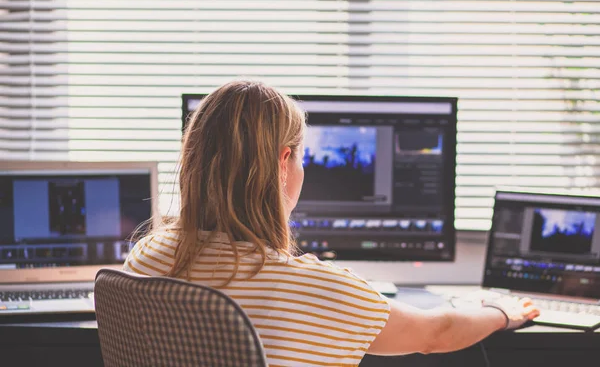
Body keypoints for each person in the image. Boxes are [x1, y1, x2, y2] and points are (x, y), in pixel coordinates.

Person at [124, 80, 539, 366]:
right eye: (301, 156)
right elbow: (436, 334)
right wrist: (499, 311)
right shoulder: (310, 287)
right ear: (284, 164)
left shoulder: (147, 258)